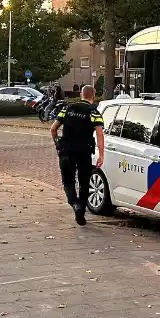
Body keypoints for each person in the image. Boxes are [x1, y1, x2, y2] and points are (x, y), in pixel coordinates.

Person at [50, 85, 105, 225]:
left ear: (81, 94)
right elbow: (99, 132)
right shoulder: (93, 112)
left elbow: (53, 128)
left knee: (68, 182)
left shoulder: (67, 108)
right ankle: (81, 208)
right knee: (84, 182)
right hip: (84, 151)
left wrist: (58, 144)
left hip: (66, 151)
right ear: (93, 95)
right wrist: (101, 155)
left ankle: (75, 204)